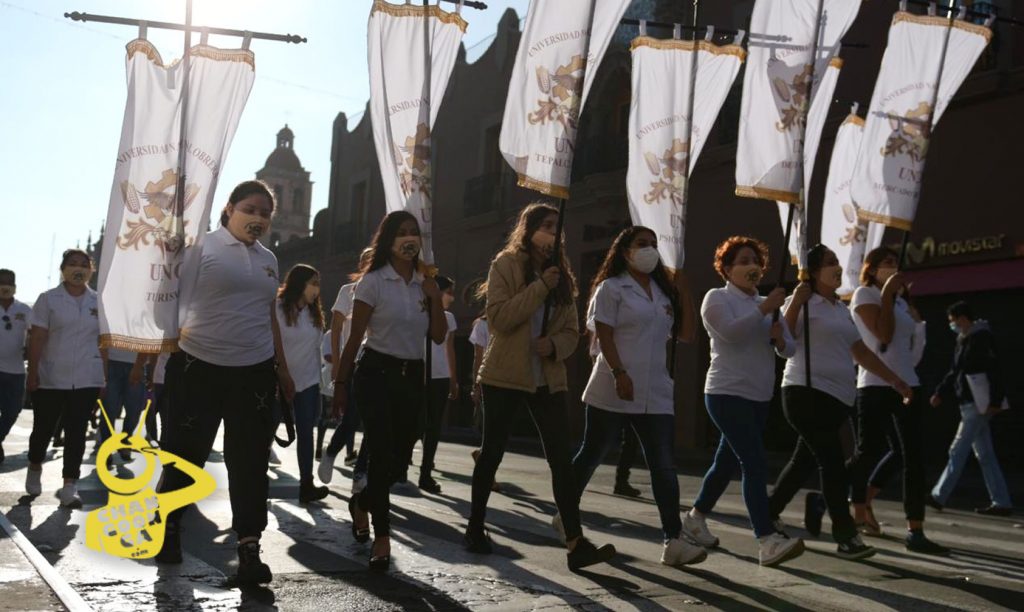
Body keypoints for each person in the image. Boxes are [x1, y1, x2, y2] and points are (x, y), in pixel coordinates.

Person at [463, 202, 615, 572]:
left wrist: (555, 345)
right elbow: (499, 319)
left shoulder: (562, 274)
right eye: (545, 225)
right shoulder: (506, 264)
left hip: (547, 378)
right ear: (529, 229)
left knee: (561, 459)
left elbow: (571, 331)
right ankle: (475, 526)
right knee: (492, 452)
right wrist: (540, 287)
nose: (552, 233)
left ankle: (576, 542)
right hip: (505, 374)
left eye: (556, 227)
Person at [154, 180, 288, 584]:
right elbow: (164, 304)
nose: (258, 218)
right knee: (185, 454)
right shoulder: (199, 247)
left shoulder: (269, 259)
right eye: (250, 209)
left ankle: (249, 548)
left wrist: (282, 367)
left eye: (265, 213)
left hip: (254, 371)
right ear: (229, 209)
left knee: (250, 462)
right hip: (199, 366)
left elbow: (268, 313)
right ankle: (169, 527)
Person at [567, 226, 706, 566]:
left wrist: (684, 290)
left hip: (654, 390)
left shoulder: (662, 293)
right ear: (625, 251)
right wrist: (619, 372)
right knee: (592, 453)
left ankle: (673, 540)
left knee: (663, 465)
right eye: (642, 244)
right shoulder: (611, 288)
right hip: (614, 385)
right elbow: (604, 334)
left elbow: (687, 334)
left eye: (654, 244)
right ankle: (566, 513)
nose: (650, 249)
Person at [768, 244, 915, 561]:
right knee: (832, 463)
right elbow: (784, 339)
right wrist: (796, 302)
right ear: (813, 271)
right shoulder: (802, 301)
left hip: (837, 398)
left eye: (836, 261)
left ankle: (768, 512)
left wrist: (896, 380)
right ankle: (846, 536)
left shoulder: (840, 308)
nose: (836, 267)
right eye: (829, 262)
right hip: (805, 392)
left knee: (803, 462)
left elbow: (860, 352)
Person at [332, 210, 447, 571]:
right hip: (376, 373)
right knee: (381, 453)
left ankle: (362, 501)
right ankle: (382, 537)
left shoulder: (425, 283)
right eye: (402, 232)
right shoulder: (374, 281)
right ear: (389, 240)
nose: (409, 238)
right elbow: (355, 337)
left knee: (400, 459)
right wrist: (340, 383)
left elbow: (439, 336)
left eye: (414, 232)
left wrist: (434, 297)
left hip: (412, 375)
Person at [681, 236, 805, 567]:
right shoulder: (717, 298)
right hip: (726, 393)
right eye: (743, 261)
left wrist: (780, 340)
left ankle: (695, 518)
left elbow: (790, 349)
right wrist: (764, 309)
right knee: (754, 461)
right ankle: (766, 539)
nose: (752, 266)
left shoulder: (768, 302)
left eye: (756, 261)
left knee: (726, 463)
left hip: (758, 395)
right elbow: (731, 333)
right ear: (727, 268)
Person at [848, 246, 949, 554]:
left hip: (908, 383)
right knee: (869, 450)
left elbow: (909, 350)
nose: (892, 267)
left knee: (912, 456)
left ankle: (915, 529)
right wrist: (887, 295)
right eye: (886, 262)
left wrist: (918, 324)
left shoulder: (902, 302)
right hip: (876, 384)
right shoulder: (865, 295)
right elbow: (884, 336)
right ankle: (835, 498)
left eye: (895, 262)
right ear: (872, 268)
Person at [25, 250, 105, 508]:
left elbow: (103, 342)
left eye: (83, 265)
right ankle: (35, 465)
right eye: (72, 264)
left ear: (91, 270)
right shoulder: (48, 299)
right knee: (43, 429)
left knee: (76, 433)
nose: (78, 269)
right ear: (63, 269)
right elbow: (37, 338)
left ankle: (70, 485)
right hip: (51, 376)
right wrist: (32, 372)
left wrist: (103, 377)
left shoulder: (99, 301)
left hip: (85, 378)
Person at [929, 301, 1013, 516]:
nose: (952, 325)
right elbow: (955, 370)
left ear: (963, 318)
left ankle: (939, 495)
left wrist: (995, 400)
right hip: (972, 400)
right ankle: (1001, 501)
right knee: (985, 454)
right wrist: (941, 392)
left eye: (953, 321)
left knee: (958, 449)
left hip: (977, 402)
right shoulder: (964, 339)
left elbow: (993, 369)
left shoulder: (980, 339)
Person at [275, 263, 330, 504]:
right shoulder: (277, 308)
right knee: (265, 431)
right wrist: (280, 373)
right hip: (278, 380)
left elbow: (316, 348)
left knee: (306, 433)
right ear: (299, 284)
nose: (317, 289)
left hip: (308, 382)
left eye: (318, 284)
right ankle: (254, 478)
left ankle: (306, 484)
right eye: (313, 284)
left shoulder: (314, 313)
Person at [318, 248, 373, 480]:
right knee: (352, 417)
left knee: (373, 421)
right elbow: (336, 328)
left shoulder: (386, 290)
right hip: (352, 362)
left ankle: (361, 471)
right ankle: (331, 452)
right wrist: (339, 365)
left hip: (375, 360)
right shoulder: (348, 291)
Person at [417, 275, 458, 494]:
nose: (451, 297)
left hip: (440, 376)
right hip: (420, 374)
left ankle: (425, 473)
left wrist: (453, 378)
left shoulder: (449, 318)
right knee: (416, 424)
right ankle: (400, 467)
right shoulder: (420, 312)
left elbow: (450, 349)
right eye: (448, 292)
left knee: (434, 427)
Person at [0, 268, 32, 464]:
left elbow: (34, 334)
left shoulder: (24, 310)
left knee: (13, 410)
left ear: (15, 286)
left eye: (9, 283)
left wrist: (30, 347)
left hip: (16, 371)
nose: (5, 287)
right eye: (1, 282)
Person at [99, 348, 146, 462]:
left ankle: (125, 440)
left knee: (134, 410)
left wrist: (139, 365)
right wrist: (104, 368)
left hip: (136, 362)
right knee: (108, 409)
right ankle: (106, 447)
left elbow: (148, 340)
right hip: (112, 362)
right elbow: (103, 341)